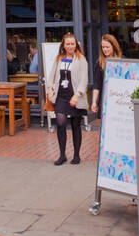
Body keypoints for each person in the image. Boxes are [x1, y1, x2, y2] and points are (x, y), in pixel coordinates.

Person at [45, 32, 89, 166]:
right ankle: (62, 155)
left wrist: (78, 94)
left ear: (76, 45)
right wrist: (50, 89)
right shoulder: (59, 59)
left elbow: (84, 79)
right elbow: (51, 76)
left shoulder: (81, 59)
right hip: (61, 96)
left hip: (75, 96)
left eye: (72, 43)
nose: (70, 46)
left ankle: (76, 155)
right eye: (68, 44)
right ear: (63, 46)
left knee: (76, 125)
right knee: (61, 123)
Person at [90, 33, 122, 118]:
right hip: (105, 100)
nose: (105, 49)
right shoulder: (99, 63)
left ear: (113, 46)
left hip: (120, 99)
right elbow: (96, 85)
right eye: (103, 47)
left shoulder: (122, 62)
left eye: (107, 47)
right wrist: (94, 102)